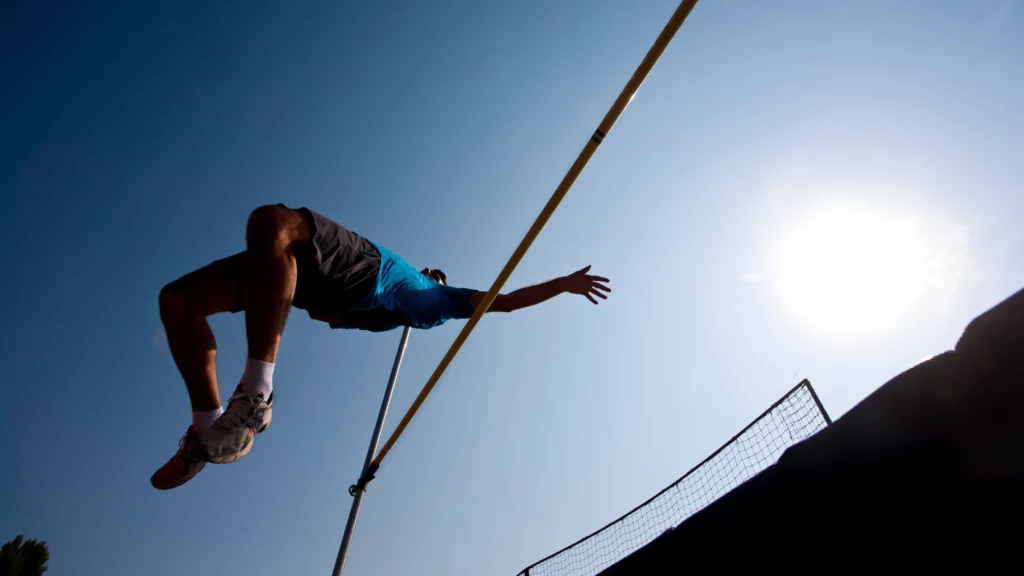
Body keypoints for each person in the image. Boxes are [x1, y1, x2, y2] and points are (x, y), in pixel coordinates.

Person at [151, 204, 611, 490]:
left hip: (361, 272)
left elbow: (506, 302)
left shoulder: (439, 303)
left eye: (438, 275)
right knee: (177, 302)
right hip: (320, 284)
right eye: (434, 273)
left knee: (273, 221)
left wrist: (564, 285)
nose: (434, 275)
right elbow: (321, 315)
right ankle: (206, 430)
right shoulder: (397, 306)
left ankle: (256, 395)